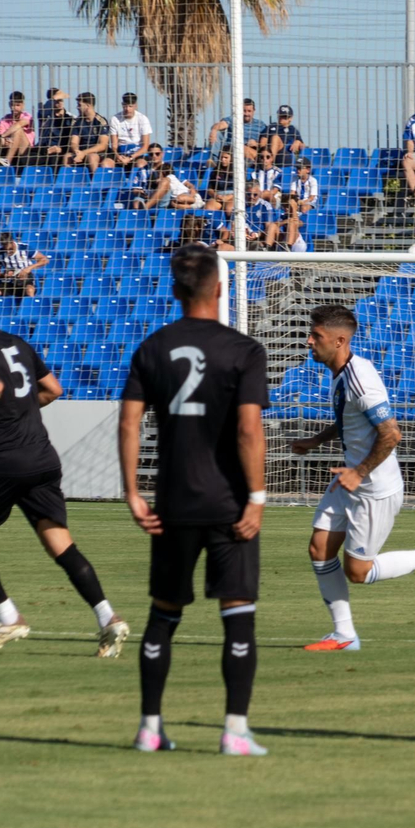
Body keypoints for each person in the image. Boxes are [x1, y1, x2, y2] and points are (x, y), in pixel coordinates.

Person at [118, 245, 272, 756]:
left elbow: (129, 422)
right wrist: (256, 497)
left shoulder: (151, 348)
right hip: (229, 505)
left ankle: (149, 727)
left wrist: (132, 492)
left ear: (174, 291)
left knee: (163, 614)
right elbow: (250, 429)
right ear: (220, 290)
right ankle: (234, 731)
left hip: (173, 505)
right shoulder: (245, 350)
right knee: (238, 613)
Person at [0, 286, 129, 656]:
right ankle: (108, 618)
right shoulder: (18, 343)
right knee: (60, 544)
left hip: (8, 460)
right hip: (44, 457)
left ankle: (8, 616)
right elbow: (53, 389)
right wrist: (20, 406)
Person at [287, 305, 415, 653]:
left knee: (359, 572)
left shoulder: (360, 379)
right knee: (319, 548)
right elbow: (351, 420)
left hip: (373, 488)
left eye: (316, 336)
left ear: (339, 341)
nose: (310, 341)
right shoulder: (341, 372)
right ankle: (344, 635)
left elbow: (391, 434)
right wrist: (316, 441)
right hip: (350, 476)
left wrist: (359, 472)